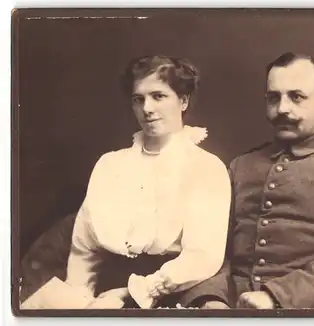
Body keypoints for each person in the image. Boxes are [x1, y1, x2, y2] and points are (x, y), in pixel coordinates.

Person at [177, 52, 314, 309]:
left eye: (296, 97)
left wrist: (275, 297)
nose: (282, 108)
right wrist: (211, 297)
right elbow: (213, 249)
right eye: (273, 98)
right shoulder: (241, 166)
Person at [64, 55, 232, 309]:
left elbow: (202, 257)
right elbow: (83, 252)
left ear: (183, 101)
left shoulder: (206, 167)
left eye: (159, 96)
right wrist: (80, 304)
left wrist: (136, 292)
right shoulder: (110, 165)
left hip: (171, 293)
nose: (147, 108)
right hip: (104, 294)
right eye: (138, 99)